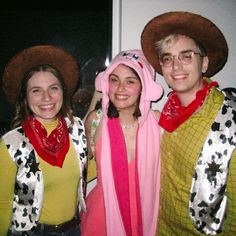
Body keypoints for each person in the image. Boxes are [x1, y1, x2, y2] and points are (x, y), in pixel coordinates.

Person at [141, 11, 236, 235]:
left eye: (186, 56)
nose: (176, 66)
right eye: (167, 58)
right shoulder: (166, 112)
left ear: (204, 63)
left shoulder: (228, 122)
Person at [0, 45, 87, 236]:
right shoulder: (12, 144)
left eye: (53, 88)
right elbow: (3, 203)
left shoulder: (76, 128)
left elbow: (82, 171)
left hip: (74, 229)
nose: (46, 97)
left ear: (63, 93)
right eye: (36, 91)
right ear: (25, 98)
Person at [80, 49, 163, 236]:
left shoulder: (158, 123)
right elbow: (80, 165)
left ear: (144, 86)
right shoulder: (95, 120)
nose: (120, 88)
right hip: (102, 217)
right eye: (114, 79)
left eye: (130, 81)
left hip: (147, 215)